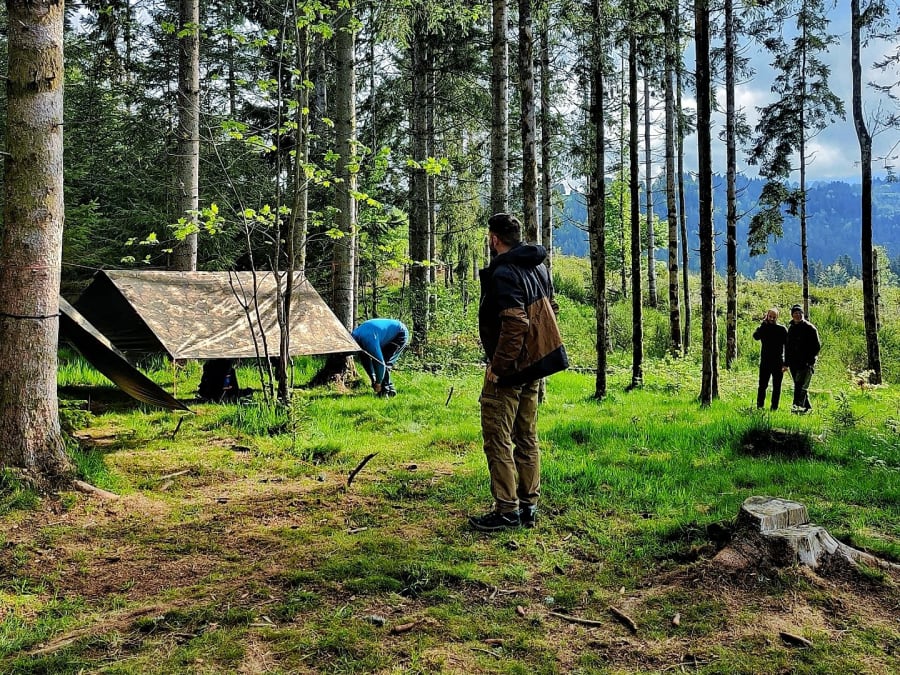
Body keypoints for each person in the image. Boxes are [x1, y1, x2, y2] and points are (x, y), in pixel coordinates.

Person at [469, 213, 569, 532]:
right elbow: (551, 309)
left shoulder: (504, 273)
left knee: (497, 437)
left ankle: (507, 510)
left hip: (511, 370)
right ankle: (528, 506)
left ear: (494, 239)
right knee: (526, 436)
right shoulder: (538, 266)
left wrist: (498, 367)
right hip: (534, 365)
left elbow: (515, 323)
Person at [351, 318, 409, 397]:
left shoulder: (368, 341)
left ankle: (384, 392)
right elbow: (365, 360)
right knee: (379, 360)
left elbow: (380, 363)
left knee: (385, 361)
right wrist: (373, 378)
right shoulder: (354, 337)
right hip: (379, 333)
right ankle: (390, 389)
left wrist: (378, 383)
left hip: (399, 333)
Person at [785, 304, 821, 413]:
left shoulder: (810, 328)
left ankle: (796, 408)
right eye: (795, 313)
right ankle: (807, 408)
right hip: (793, 363)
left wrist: (810, 360)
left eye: (799, 313)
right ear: (792, 315)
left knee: (799, 386)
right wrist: (786, 363)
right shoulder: (791, 328)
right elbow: (788, 347)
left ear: (802, 314)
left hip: (805, 363)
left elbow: (817, 346)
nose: (798, 315)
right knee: (798, 385)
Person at [752, 308, 788, 410]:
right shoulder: (763, 328)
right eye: (770, 316)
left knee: (777, 386)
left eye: (774, 317)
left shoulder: (782, 329)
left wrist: (786, 363)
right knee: (762, 385)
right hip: (765, 362)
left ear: (777, 317)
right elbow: (756, 336)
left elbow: (788, 347)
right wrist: (763, 325)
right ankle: (760, 407)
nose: (772, 319)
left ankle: (774, 408)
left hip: (778, 362)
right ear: (767, 316)